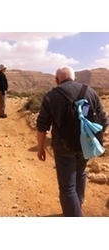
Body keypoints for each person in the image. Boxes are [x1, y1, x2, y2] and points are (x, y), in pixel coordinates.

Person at [35, 66, 107, 217]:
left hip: (63, 146)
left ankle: (74, 215)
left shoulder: (51, 96)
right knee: (80, 172)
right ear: (75, 78)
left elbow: (42, 125)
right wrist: (99, 140)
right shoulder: (90, 92)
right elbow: (103, 120)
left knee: (67, 187)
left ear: (56, 80)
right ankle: (77, 206)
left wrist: (40, 147)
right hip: (86, 143)